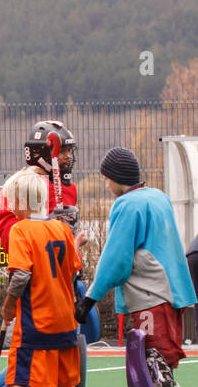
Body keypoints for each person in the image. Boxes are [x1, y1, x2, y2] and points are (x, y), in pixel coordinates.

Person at [0, 167, 105, 387]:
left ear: (22, 201)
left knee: (17, 383)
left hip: (35, 322)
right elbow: (70, 267)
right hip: (66, 322)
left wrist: (9, 305)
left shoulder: (20, 230)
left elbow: (22, 274)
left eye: (12, 200)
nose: (10, 206)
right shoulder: (61, 229)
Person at [77, 146, 198, 369]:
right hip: (174, 293)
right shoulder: (159, 197)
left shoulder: (127, 205)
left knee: (152, 368)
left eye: (107, 179)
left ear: (117, 177)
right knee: (165, 364)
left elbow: (115, 261)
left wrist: (89, 300)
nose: (106, 185)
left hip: (152, 295)